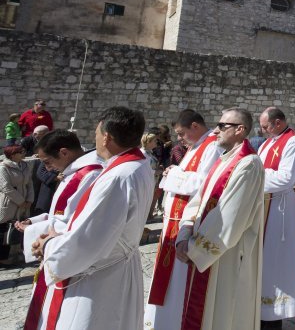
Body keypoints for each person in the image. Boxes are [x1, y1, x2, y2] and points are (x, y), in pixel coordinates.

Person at [32, 106, 154, 330]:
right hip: (118, 263)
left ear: (106, 137)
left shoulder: (117, 177)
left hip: (100, 274)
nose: (94, 139)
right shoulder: (139, 165)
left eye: (96, 133)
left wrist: (49, 244)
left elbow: (88, 239)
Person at [174, 107, 265, 330]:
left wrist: (194, 248)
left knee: (222, 315)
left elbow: (231, 217)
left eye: (222, 126)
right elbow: (199, 200)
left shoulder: (249, 164)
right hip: (201, 245)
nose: (215, 131)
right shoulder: (223, 160)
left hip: (225, 254)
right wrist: (184, 232)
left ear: (240, 130)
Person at [144, 109, 221, 330]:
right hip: (174, 218)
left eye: (181, 133)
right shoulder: (196, 146)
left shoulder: (212, 146)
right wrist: (176, 171)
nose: (179, 139)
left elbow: (205, 183)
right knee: (169, 279)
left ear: (195, 126)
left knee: (179, 282)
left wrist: (174, 174)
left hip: (187, 220)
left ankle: (176, 321)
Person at [18, 130, 103, 329]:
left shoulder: (88, 175)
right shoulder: (74, 173)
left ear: (64, 152)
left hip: (71, 258)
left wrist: (36, 232)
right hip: (54, 246)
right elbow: (61, 214)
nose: (47, 168)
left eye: (47, 162)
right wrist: (34, 222)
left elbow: (75, 223)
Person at [257, 106, 295, 328]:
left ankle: (274, 315)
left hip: (279, 209)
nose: (263, 130)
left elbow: (287, 178)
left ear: (277, 123)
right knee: (262, 263)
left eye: (265, 126)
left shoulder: (293, 142)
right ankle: (259, 312)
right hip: (263, 207)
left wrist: (255, 176)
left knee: (275, 263)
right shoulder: (268, 143)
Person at [0, 145, 33, 265]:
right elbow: (5, 187)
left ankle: (17, 253)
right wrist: (21, 201)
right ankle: (2, 257)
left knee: (19, 227)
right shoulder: (3, 167)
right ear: (13, 155)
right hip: (10, 203)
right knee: (3, 229)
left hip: (24, 203)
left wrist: (29, 199)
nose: (23, 153)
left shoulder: (25, 165)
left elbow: (29, 183)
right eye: (20, 152)